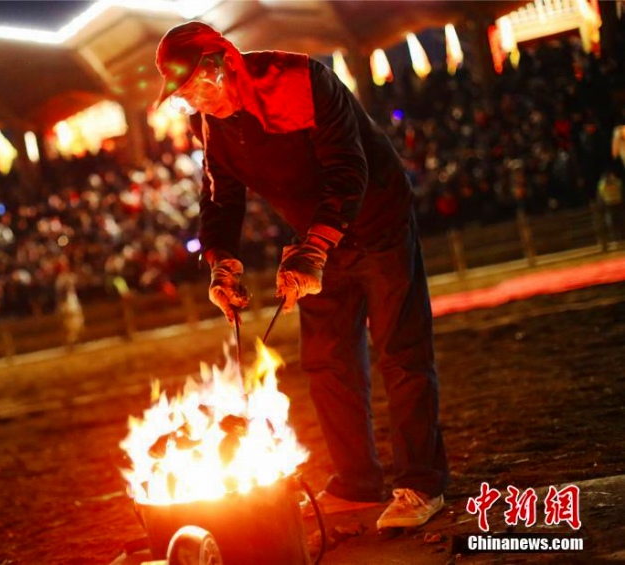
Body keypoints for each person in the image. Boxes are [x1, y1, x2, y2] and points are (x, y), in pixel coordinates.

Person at [154, 21, 448, 530]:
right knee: (327, 361)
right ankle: (357, 485)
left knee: (402, 354)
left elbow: (347, 168)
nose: (198, 102)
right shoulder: (215, 122)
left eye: (200, 87)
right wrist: (222, 262)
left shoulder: (299, 79)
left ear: (224, 61)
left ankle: (421, 485)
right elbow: (220, 196)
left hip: (376, 222)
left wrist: (315, 249)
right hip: (311, 240)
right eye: (186, 98)